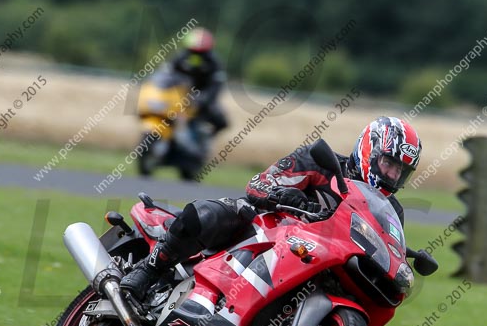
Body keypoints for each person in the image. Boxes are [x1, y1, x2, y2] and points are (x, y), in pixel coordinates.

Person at [120, 116, 422, 300]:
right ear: (369, 149)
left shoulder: (392, 209)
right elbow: (259, 183)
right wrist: (287, 197)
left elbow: (384, 248)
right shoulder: (323, 162)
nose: (393, 175)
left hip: (318, 262)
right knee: (210, 214)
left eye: (401, 171)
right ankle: (148, 271)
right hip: (267, 229)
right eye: (389, 163)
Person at [171, 27, 228, 135]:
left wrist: (204, 99)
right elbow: (167, 72)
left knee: (222, 122)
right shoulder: (180, 57)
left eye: (200, 53)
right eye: (193, 51)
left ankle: (203, 140)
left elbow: (216, 85)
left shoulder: (214, 62)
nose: (196, 55)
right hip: (178, 96)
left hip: (202, 99)